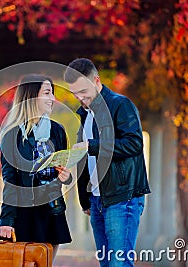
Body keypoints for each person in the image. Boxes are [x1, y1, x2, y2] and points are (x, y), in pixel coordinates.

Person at [64, 58, 151, 266]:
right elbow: (86, 160)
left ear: (96, 80)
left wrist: (93, 145)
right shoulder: (85, 115)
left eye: (83, 91)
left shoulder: (121, 105)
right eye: (74, 93)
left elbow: (134, 144)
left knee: (118, 264)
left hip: (122, 197)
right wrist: (85, 199)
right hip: (97, 201)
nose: (79, 97)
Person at [0, 74, 72, 258]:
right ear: (31, 96)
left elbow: (62, 172)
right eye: (47, 93)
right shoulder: (11, 136)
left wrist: (66, 176)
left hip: (51, 211)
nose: (52, 99)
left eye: (52, 93)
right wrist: (6, 220)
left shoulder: (57, 131)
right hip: (24, 214)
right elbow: (10, 181)